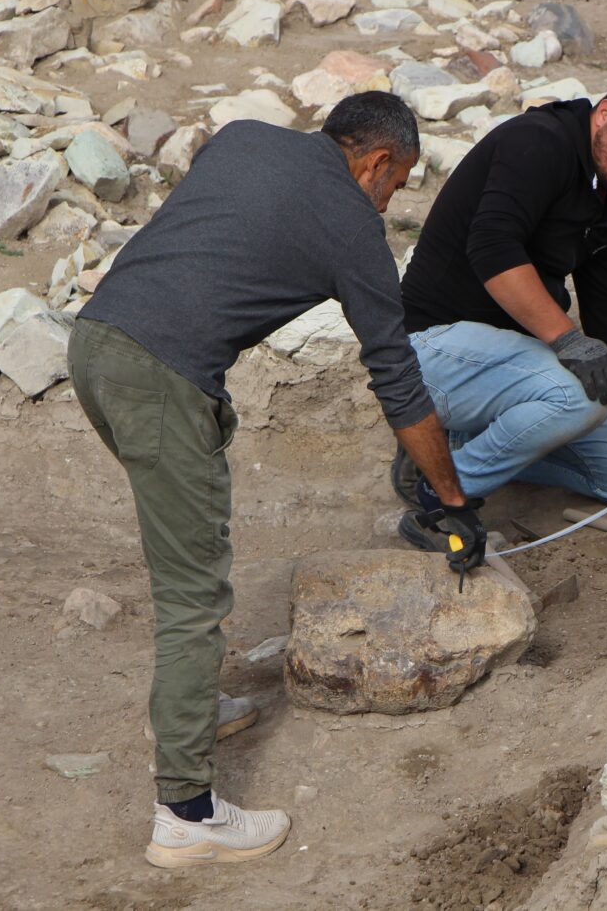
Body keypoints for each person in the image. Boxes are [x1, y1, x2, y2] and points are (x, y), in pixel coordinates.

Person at [67, 92, 485, 869]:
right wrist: (451, 501)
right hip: (163, 376)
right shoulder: (354, 225)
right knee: (193, 594)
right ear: (376, 161)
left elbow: (213, 239)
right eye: (398, 185)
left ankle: (186, 711)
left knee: (183, 550)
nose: (393, 201)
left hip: (95, 344)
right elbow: (398, 378)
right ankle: (186, 814)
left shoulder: (245, 136)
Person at [391, 63, 607, 549]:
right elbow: (492, 249)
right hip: (430, 350)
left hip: (505, 360)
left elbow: (606, 308)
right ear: (604, 115)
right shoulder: (538, 143)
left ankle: (449, 450)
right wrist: (567, 339)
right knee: (578, 393)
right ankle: (443, 497)